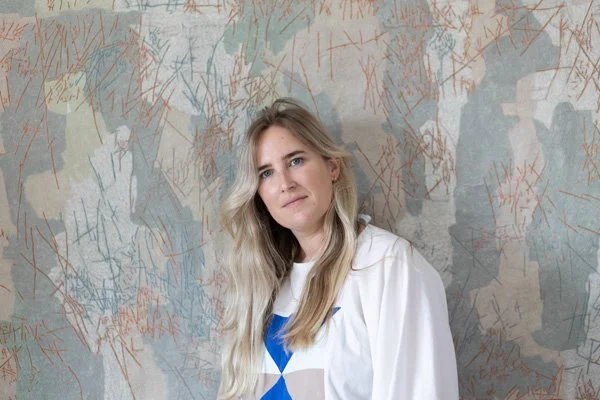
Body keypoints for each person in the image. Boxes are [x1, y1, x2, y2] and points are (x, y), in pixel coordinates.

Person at [219, 98, 459, 399]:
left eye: (296, 161)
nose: (285, 183)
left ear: (332, 167)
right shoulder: (262, 283)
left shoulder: (388, 267)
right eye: (266, 173)